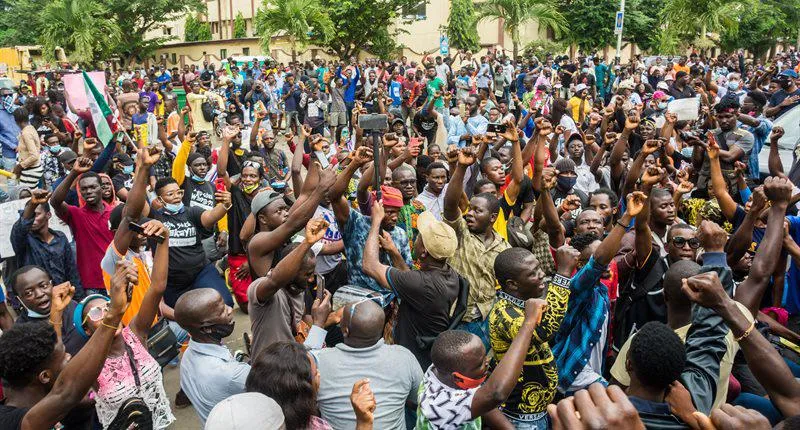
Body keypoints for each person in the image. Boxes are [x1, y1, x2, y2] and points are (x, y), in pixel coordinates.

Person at [0, 259, 132, 430]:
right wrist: (114, 314)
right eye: (29, 292)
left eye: (43, 285)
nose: (70, 357)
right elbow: (66, 390)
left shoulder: (70, 309)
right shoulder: (26, 422)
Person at [76, 217, 174, 429]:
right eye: (95, 312)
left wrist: (164, 240)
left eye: (107, 306)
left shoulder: (136, 334)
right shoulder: (90, 363)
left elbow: (157, 287)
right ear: (85, 329)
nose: (106, 312)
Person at [416, 297, 547, 429]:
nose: (487, 364)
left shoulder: (441, 370)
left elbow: (479, 400)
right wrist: (529, 322)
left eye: (485, 358)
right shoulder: (440, 405)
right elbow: (495, 394)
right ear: (457, 377)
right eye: (479, 364)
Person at [488, 245, 579, 428]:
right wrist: (562, 274)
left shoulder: (525, 303)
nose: (541, 274)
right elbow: (544, 330)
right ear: (512, 284)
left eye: (539, 268)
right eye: (532, 273)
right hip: (519, 419)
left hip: (538, 414)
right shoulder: (504, 314)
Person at [363, 204, 462, 369]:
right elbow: (410, 278)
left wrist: (375, 222)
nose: (415, 238)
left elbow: (369, 265)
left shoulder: (422, 283)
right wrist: (394, 252)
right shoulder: (449, 274)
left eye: (418, 237)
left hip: (413, 361)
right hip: (426, 354)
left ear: (423, 252)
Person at [312, 298, 422, 429]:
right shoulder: (405, 357)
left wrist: (318, 324)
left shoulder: (317, 361)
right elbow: (419, 399)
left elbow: (303, 358)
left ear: (345, 331)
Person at [443, 146, 510, 347]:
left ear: (492, 218)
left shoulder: (504, 248)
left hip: (486, 320)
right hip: (456, 318)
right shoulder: (461, 233)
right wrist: (461, 168)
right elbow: (450, 204)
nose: (470, 213)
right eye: (470, 209)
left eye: (477, 211)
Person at [246, 218, 332, 360]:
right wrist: (319, 324)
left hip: (292, 357)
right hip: (273, 368)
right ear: (291, 271)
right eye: (307, 274)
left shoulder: (298, 287)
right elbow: (309, 358)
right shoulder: (263, 289)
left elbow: (303, 322)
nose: (311, 279)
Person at [151, 176, 232, 307]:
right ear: (160, 199)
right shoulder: (154, 217)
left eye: (179, 192)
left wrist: (225, 205)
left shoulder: (191, 212)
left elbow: (210, 217)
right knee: (184, 316)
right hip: (173, 281)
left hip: (201, 272)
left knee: (224, 303)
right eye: (170, 194)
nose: (177, 196)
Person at [176, 288, 250, 425]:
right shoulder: (231, 373)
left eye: (225, 305)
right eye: (221, 311)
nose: (229, 310)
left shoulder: (187, 358)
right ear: (205, 328)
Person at [50, 157, 115, 295]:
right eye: (84, 189)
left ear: (101, 189)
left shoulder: (116, 213)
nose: (88, 191)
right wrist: (74, 172)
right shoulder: (76, 214)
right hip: (92, 285)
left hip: (116, 280)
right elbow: (55, 201)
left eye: (92, 187)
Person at [11, 188, 83, 296]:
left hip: (62, 297)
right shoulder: (23, 240)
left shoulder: (60, 238)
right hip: (37, 300)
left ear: (48, 215)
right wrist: (32, 204)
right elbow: (20, 228)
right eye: (30, 216)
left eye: (36, 215)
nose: (32, 219)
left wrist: (79, 300)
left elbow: (71, 271)